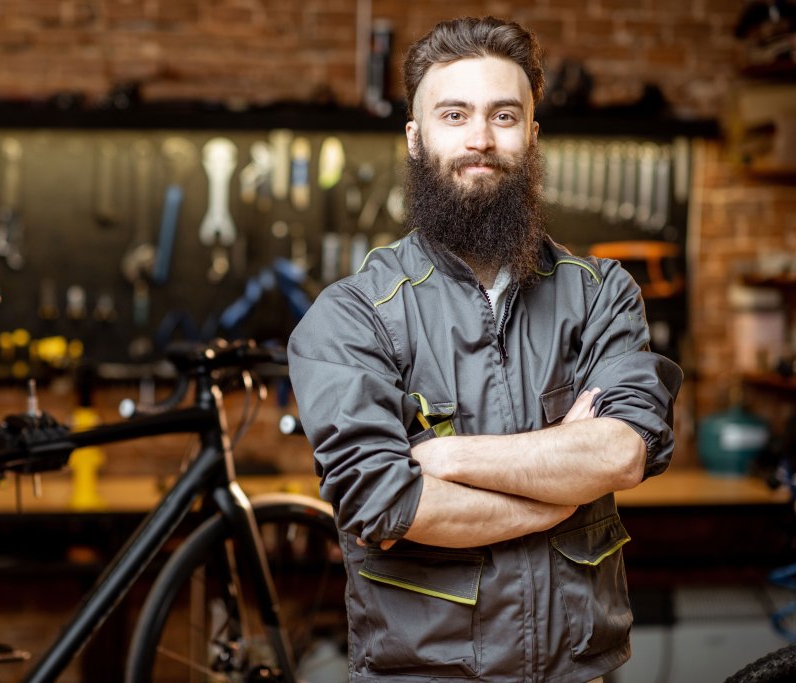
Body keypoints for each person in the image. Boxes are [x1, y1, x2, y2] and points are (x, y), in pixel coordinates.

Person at [287, 15, 683, 683]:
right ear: (415, 138)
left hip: (576, 674)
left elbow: (622, 448)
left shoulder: (601, 295)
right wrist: (561, 494)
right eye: (454, 114)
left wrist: (445, 455)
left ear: (532, 134)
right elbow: (385, 501)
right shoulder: (353, 316)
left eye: (504, 115)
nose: (480, 139)